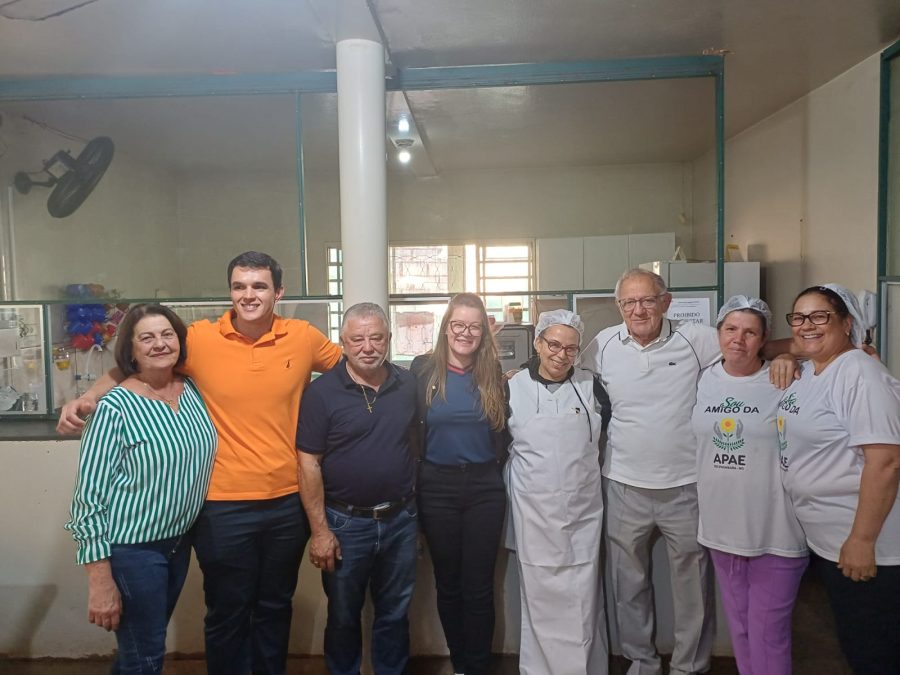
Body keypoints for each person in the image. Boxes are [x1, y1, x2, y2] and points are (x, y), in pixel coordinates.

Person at [58, 251, 342, 675]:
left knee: (275, 606)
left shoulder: (302, 337)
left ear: (279, 292)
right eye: (239, 286)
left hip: (287, 501)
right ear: (230, 291)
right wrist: (86, 397)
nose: (249, 295)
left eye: (259, 286)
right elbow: (133, 365)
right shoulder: (197, 339)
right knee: (228, 609)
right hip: (221, 506)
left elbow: (353, 370)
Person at [578, 268, 797, 675]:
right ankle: (641, 662)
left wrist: (786, 355)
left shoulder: (695, 338)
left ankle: (688, 666)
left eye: (648, 300)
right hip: (623, 483)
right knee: (628, 583)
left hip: (687, 486)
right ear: (619, 306)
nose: (638, 310)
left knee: (692, 585)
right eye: (629, 302)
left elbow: (745, 344)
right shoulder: (604, 344)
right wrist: (518, 373)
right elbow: (560, 362)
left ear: (666, 302)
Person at [65, 303, 217, 674]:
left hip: (178, 544)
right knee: (145, 656)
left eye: (167, 335)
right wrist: (100, 580)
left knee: (139, 650)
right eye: (146, 338)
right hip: (133, 551)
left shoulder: (192, 390)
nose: (159, 344)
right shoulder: (114, 408)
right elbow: (88, 500)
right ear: (131, 350)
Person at [778, 284, 900, 675]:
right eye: (799, 317)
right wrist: (785, 354)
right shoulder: (816, 370)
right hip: (831, 541)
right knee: (856, 642)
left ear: (847, 323)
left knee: (874, 653)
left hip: (869, 546)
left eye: (820, 316)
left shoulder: (859, 373)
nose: (807, 325)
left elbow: (886, 461)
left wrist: (862, 540)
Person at [296, 302, 418, 675]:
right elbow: (308, 463)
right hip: (344, 524)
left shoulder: (408, 385)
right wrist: (320, 532)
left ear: (389, 339)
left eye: (376, 338)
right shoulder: (321, 393)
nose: (368, 347)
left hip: (401, 520)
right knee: (343, 616)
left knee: (395, 614)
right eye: (358, 339)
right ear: (343, 342)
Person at [691, 296, 808, 675]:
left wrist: (790, 356)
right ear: (718, 333)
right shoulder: (702, 377)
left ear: (764, 339)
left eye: (750, 332)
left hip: (775, 532)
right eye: (730, 329)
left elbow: (831, 356)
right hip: (721, 530)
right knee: (740, 629)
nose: (738, 339)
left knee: (768, 634)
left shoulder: (785, 380)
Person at [410, 293, 509, 675]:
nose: (465, 333)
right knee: (448, 584)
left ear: (484, 332)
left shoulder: (494, 374)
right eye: (458, 325)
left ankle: (478, 667)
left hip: (485, 488)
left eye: (474, 326)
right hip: (437, 488)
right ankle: (461, 664)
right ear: (446, 328)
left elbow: (506, 433)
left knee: (480, 586)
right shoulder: (423, 371)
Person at [506, 309, 609, 675]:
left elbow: (605, 435)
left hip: (582, 517)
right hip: (534, 516)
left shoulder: (591, 386)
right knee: (539, 598)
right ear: (537, 343)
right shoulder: (512, 386)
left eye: (570, 348)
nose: (561, 355)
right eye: (553, 345)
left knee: (582, 596)